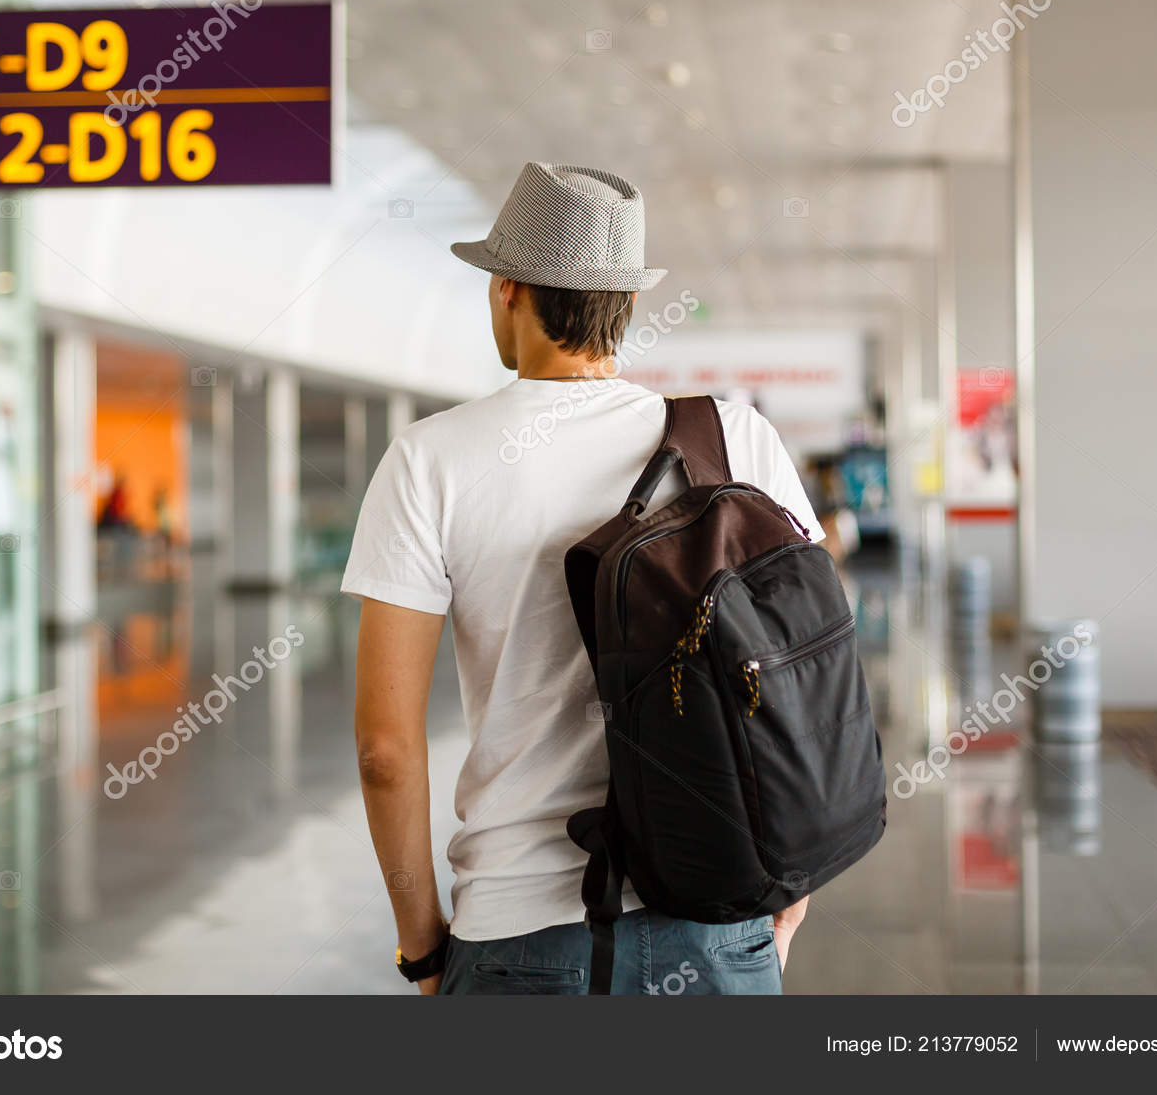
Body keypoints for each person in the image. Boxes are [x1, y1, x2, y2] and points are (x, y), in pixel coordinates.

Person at [342, 162, 819, 995]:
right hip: (717, 915)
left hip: (517, 933)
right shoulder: (737, 438)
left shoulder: (428, 460)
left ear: (508, 291)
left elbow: (386, 748)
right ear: (628, 306)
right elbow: (808, 677)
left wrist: (421, 946)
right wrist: (794, 879)